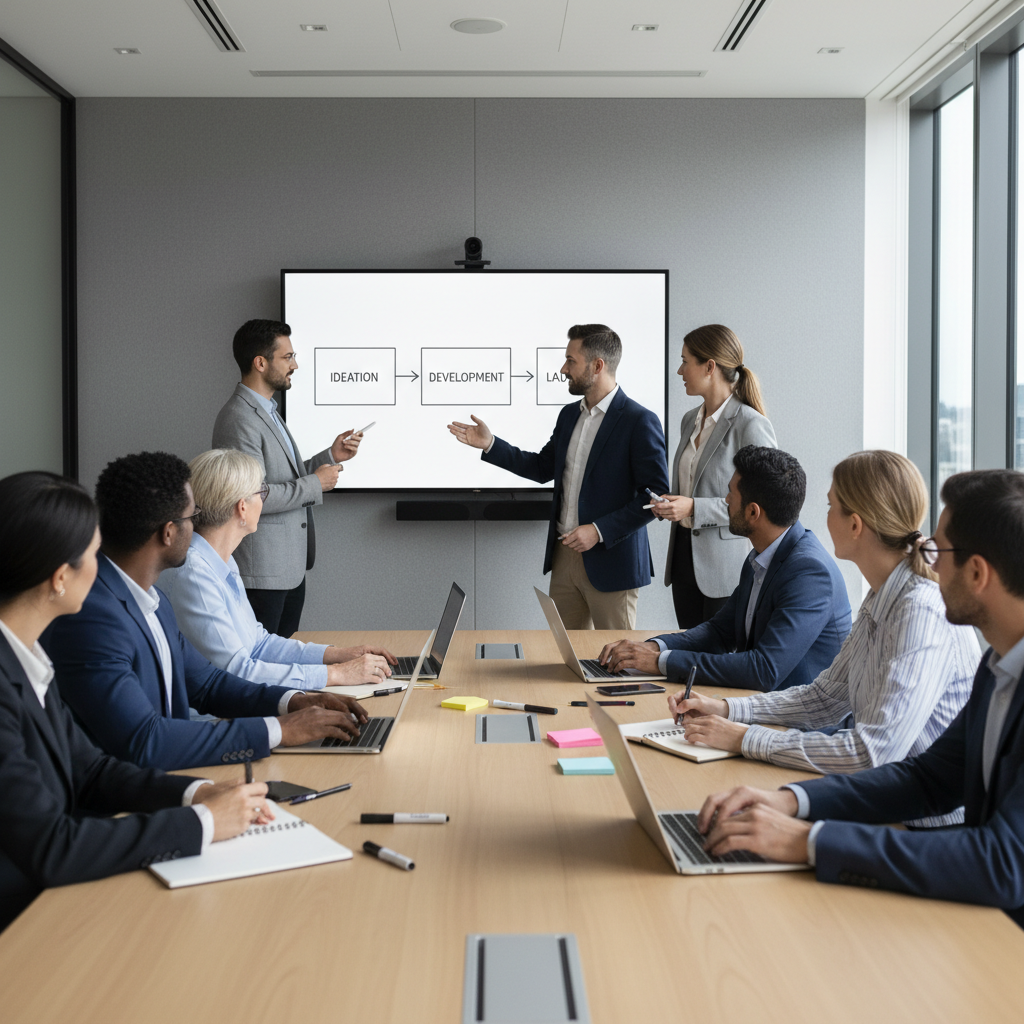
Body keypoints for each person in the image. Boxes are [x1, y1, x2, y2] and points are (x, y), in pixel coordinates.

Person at [696, 469, 1024, 927]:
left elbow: (1004, 862)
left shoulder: (926, 612)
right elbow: (926, 780)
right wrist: (790, 802)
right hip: (960, 885)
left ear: (977, 572)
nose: (929, 561)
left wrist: (806, 841)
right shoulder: (1000, 669)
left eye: (938, 550)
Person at [0, 471, 274, 932]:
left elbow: (91, 771)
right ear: (60, 578)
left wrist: (195, 793)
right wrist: (204, 823)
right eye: (92, 553)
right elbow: (52, 846)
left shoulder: (27, 653)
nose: (102, 564)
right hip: (24, 927)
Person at [671, 451, 980, 826]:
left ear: (855, 525)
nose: (824, 516)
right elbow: (825, 698)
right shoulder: (883, 595)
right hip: (887, 808)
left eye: (831, 506)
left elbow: (871, 753)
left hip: (928, 831)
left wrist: (743, 738)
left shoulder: (919, 610)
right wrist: (727, 709)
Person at [43, 452, 371, 771]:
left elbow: (208, 685)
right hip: (129, 799)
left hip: (169, 772)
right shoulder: (93, 618)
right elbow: (145, 741)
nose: (198, 524)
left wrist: (294, 701)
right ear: (169, 532)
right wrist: (280, 730)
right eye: (191, 515)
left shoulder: (153, 600)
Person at [447, 325, 668, 630]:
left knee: (617, 664)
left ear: (597, 366)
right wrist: (491, 445)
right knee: (565, 661)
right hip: (564, 558)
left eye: (571, 361)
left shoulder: (639, 421)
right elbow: (541, 468)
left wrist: (598, 530)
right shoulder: (569, 415)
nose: (563, 369)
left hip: (612, 562)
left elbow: (655, 497)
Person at [600, 446, 851, 692]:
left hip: (795, 722)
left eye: (731, 493)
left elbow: (763, 670)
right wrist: (655, 648)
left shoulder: (809, 572)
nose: (726, 500)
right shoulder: (761, 555)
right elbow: (719, 631)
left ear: (753, 512)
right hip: (760, 705)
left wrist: (659, 663)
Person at [161, 448, 397, 688]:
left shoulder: (221, 559)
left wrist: (339, 655)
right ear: (242, 507)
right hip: (213, 718)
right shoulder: (194, 575)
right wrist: (336, 675)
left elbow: (259, 644)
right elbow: (236, 672)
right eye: (261, 491)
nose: (263, 500)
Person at [212, 318, 365, 638]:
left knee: (281, 656)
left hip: (287, 570)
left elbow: (283, 475)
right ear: (260, 362)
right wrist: (316, 484)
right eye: (288, 357)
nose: (295, 364)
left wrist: (330, 458)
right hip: (263, 573)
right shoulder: (239, 419)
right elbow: (249, 496)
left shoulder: (267, 409)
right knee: (263, 666)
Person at [656, 325, 777, 628]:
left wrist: (693, 508)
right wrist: (671, 503)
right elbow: (691, 485)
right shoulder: (689, 420)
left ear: (709, 366)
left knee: (717, 665)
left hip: (726, 570)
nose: (680, 370)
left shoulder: (750, 424)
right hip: (684, 560)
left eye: (686, 361)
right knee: (689, 656)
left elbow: (762, 503)